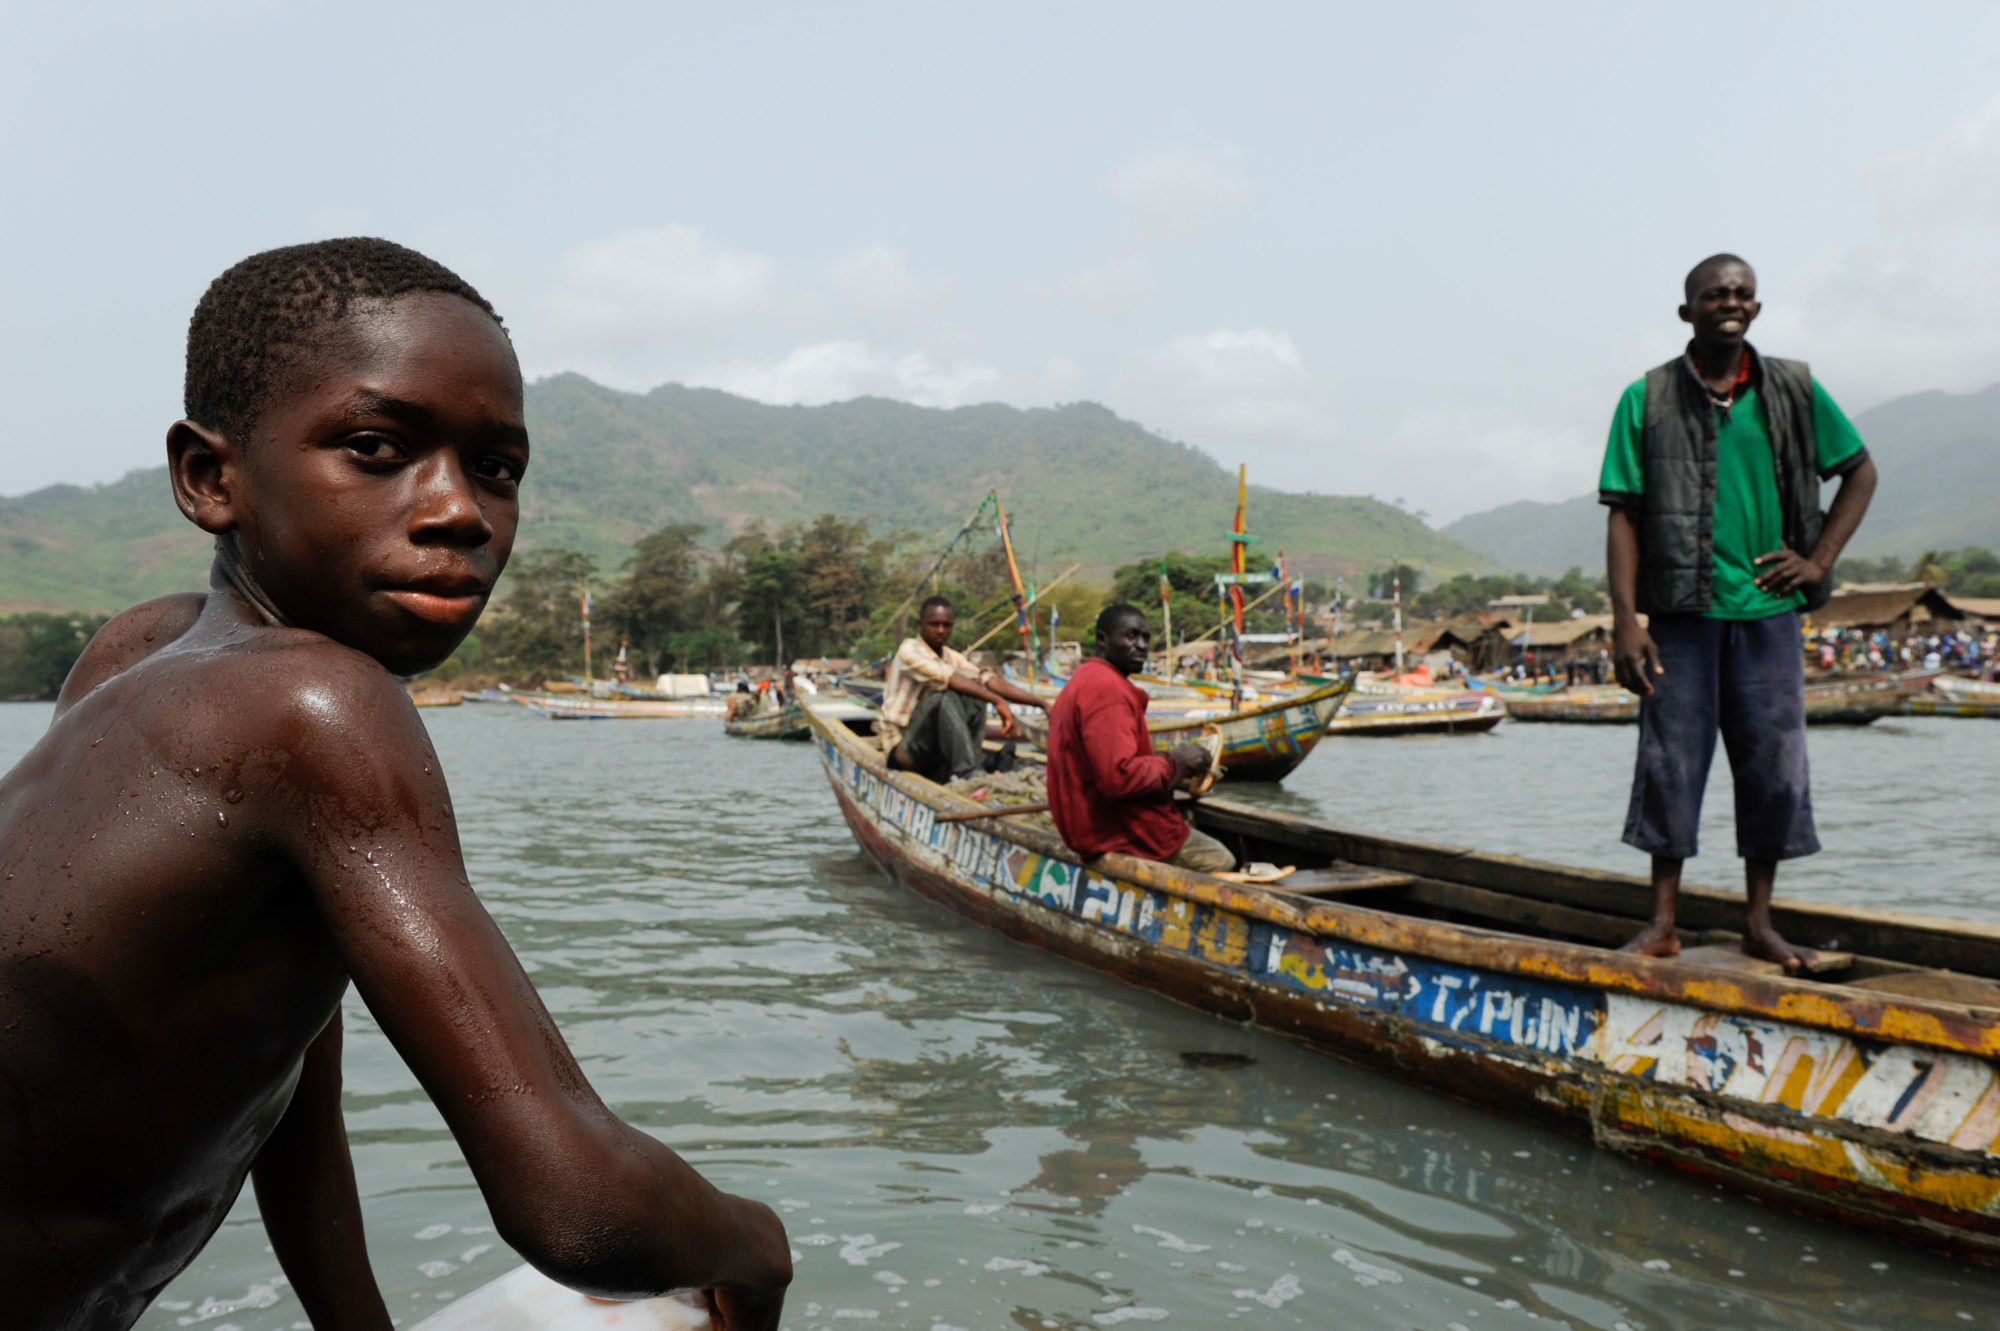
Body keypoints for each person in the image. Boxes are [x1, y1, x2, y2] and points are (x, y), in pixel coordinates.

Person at [0, 240, 791, 1329]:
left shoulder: (140, 649)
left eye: (496, 467)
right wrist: (756, 1244)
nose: (459, 510)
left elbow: (276, 1069)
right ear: (210, 477)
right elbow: (578, 1207)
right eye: (377, 448)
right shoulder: (321, 707)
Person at [1600, 253, 1877, 969]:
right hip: (1682, 617)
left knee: (1773, 769)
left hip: (1768, 615)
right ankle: (1662, 922)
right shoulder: (1647, 396)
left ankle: (1759, 922)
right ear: (1686, 310)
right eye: (1714, 293)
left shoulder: (1792, 386)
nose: (1730, 301)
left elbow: (1860, 470)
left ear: (1756, 307)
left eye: (1742, 293)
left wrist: (1817, 563)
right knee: (1670, 766)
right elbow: (1624, 514)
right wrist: (1626, 619)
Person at [1044, 603, 1234, 874]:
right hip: (1114, 832)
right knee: (1221, 859)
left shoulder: (1085, 679)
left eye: (1146, 638)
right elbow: (1117, 778)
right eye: (1131, 636)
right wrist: (1176, 761)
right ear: (1102, 639)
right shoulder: (1107, 690)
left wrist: (1173, 770)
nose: (1142, 645)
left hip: (1088, 826)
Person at [879, 595, 1046, 783]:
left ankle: (969, 764)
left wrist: (1042, 703)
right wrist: (998, 701)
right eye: (934, 624)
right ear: (920, 625)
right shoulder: (908, 650)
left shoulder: (951, 657)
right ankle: (968, 772)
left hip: (935, 751)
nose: (940, 630)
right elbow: (950, 679)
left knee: (976, 693)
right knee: (945, 697)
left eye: (946, 625)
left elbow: (987, 680)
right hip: (903, 749)